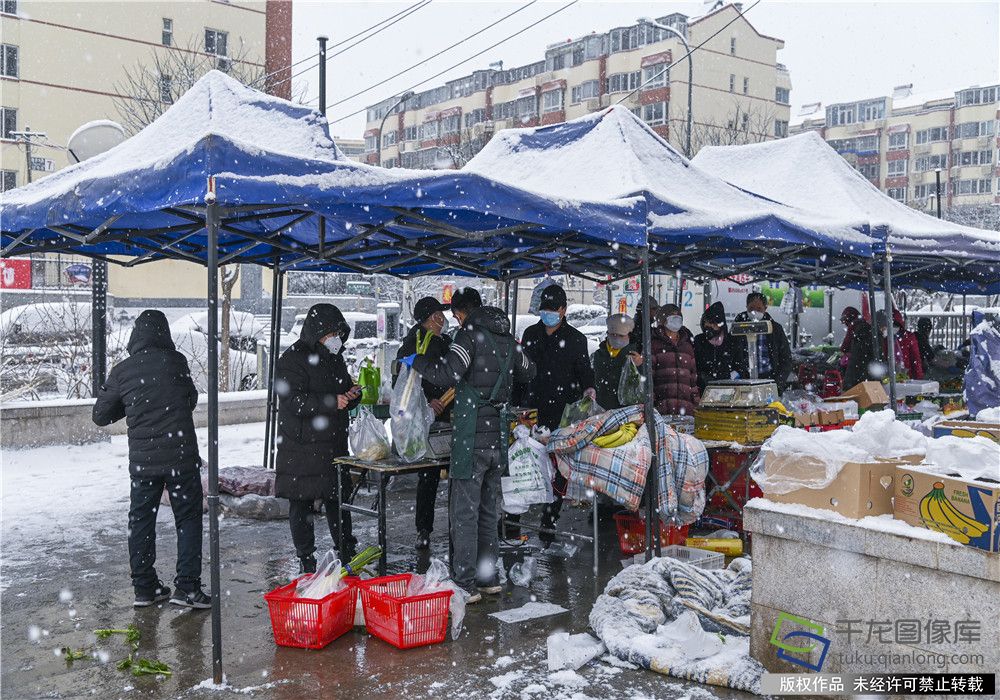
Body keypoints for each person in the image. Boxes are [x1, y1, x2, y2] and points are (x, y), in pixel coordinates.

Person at [405, 287, 535, 602]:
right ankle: (488, 579)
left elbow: (447, 374)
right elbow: (529, 371)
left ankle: (464, 583)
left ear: (461, 313)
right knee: (489, 512)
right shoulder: (507, 338)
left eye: (455, 316)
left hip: (471, 436)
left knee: (464, 513)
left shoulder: (468, 336)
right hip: (497, 438)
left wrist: (416, 360)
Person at [92, 310, 211, 609]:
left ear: (136, 335)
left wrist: (132, 404)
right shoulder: (177, 361)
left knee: (141, 520)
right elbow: (191, 399)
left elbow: (101, 415)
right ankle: (187, 587)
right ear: (164, 334)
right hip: (181, 458)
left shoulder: (123, 370)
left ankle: (145, 588)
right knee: (188, 518)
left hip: (144, 463)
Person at [274, 303, 362, 574]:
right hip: (300, 447)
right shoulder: (292, 359)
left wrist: (352, 394)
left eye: (338, 333)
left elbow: (342, 388)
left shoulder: (334, 358)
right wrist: (331, 401)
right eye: (331, 333)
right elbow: (293, 401)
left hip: (332, 444)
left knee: (338, 498)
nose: (336, 339)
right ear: (318, 332)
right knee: (301, 502)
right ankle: (306, 559)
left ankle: (346, 550)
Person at [518, 284, 596, 544]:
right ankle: (514, 517)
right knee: (526, 463)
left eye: (553, 309)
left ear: (563, 310)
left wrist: (589, 390)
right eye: (545, 309)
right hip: (532, 410)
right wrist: (516, 404)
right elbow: (520, 372)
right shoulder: (531, 334)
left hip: (563, 413)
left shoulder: (576, 339)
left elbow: (585, 373)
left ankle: (549, 519)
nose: (548, 314)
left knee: (559, 468)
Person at [394, 296, 452, 550]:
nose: (444, 319)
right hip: (428, 419)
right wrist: (428, 401)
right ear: (432, 318)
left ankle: (446, 528)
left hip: (446, 416)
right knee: (430, 475)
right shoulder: (415, 343)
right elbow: (405, 381)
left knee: (443, 476)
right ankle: (426, 529)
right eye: (440, 315)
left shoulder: (444, 341)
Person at [733, 292, 793, 393]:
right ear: (746, 307)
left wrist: (777, 384)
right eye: (751, 308)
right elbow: (731, 353)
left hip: (769, 380)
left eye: (759, 309)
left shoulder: (775, 329)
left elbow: (786, 359)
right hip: (744, 381)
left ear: (765, 308)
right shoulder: (738, 328)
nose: (754, 312)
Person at [650, 304, 699, 415]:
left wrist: (696, 402)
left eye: (678, 316)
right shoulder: (654, 345)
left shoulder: (687, 346)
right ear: (663, 320)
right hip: (662, 408)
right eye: (672, 316)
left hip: (686, 408)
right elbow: (649, 378)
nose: (676, 319)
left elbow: (693, 378)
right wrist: (652, 404)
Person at [591, 313, 642, 410]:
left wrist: (640, 365)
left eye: (621, 336)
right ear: (607, 334)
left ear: (629, 336)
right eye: (613, 335)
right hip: (602, 410)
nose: (617, 338)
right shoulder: (598, 355)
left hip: (628, 411)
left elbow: (644, 384)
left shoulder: (635, 355)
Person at [693, 301, 743, 392]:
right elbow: (694, 367)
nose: (709, 326)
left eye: (713, 323)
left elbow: (740, 367)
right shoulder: (699, 341)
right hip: (704, 391)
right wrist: (702, 377)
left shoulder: (732, 342)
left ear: (720, 325)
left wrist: (729, 377)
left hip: (728, 390)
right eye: (707, 323)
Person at [877, 309, 924, 380]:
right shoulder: (907, 337)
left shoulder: (884, 338)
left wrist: (918, 377)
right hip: (900, 376)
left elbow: (916, 359)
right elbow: (916, 359)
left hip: (898, 377)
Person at [840, 306, 875, 389]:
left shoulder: (853, 326)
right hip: (867, 365)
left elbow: (845, 346)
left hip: (856, 364)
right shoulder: (865, 325)